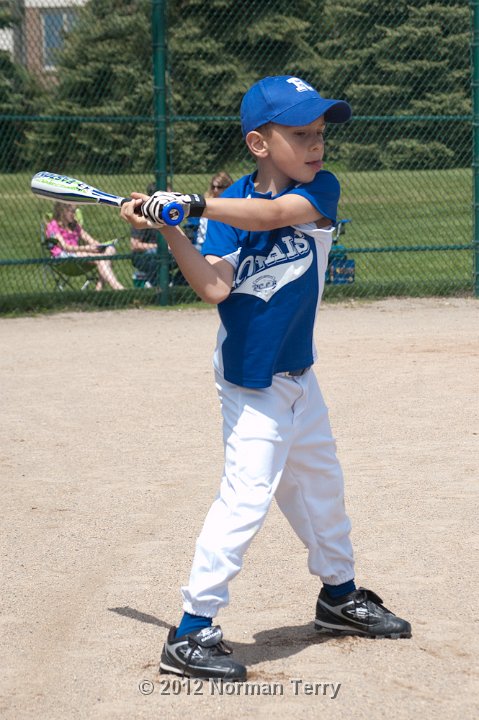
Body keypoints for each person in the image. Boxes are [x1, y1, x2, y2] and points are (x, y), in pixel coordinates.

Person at [120, 75, 412, 682]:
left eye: (320, 132)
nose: (316, 144)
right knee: (248, 494)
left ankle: (339, 596)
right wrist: (169, 225)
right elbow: (213, 287)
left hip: (300, 372)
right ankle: (191, 629)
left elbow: (274, 214)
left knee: (322, 484)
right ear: (259, 143)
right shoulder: (227, 208)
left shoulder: (318, 191)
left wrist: (192, 204)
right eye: (300, 134)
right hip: (250, 382)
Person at [46, 202, 124, 291]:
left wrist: (100, 245)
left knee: (110, 250)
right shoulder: (53, 225)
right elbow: (65, 247)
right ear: (63, 211)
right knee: (101, 259)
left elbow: (90, 239)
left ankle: (99, 290)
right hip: (63, 257)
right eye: (72, 211)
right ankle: (118, 288)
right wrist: (87, 248)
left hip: (77, 255)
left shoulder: (74, 225)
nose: (74, 214)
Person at [130, 183, 162, 287]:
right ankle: (153, 285)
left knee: (196, 250)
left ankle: (178, 284)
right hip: (143, 256)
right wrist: (159, 247)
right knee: (155, 253)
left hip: (168, 252)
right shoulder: (143, 215)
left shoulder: (171, 214)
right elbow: (135, 245)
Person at [193, 171, 233, 250]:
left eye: (219, 187)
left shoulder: (233, 205)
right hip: (203, 243)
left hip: (224, 245)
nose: (215, 190)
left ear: (228, 187)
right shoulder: (206, 202)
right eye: (213, 187)